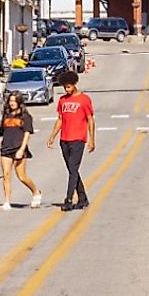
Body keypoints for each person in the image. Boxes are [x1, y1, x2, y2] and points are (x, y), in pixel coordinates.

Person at [54, 69, 96, 211]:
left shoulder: (84, 99)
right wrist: (52, 136)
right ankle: (83, 198)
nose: (67, 89)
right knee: (73, 170)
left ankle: (69, 198)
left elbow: (90, 120)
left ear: (75, 84)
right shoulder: (62, 100)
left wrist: (92, 140)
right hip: (64, 139)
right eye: (65, 87)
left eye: (69, 86)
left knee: (73, 170)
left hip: (78, 139)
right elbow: (60, 119)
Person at [0, 91, 41, 208]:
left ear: (19, 102)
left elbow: (27, 133)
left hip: (18, 148)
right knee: (6, 175)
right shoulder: (6, 115)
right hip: (6, 148)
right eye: (10, 101)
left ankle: (35, 191)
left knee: (21, 176)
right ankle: (7, 201)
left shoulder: (25, 116)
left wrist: (22, 149)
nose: (12, 103)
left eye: (14, 101)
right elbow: (3, 131)